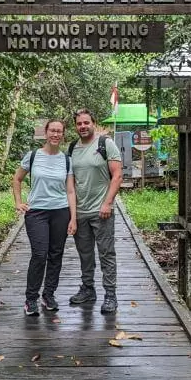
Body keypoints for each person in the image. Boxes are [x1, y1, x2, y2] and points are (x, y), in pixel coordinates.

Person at [12, 119, 77, 316]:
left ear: (63, 135)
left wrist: (73, 218)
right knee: (40, 254)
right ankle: (30, 299)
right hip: (37, 212)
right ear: (46, 133)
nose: (55, 135)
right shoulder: (32, 156)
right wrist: (18, 202)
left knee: (55, 254)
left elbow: (70, 190)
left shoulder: (67, 160)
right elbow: (17, 178)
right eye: (52, 131)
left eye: (59, 132)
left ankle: (48, 295)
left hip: (60, 211)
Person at [68, 108, 123, 314]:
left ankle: (110, 294)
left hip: (102, 211)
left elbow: (117, 176)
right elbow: (71, 182)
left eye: (86, 123)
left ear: (94, 123)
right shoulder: (72, 147)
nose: (83, 126)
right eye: (79, 124)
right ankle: (88, 289)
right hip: (80, 211)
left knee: (106, 253)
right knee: (85, 254)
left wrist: (107, 203)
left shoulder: (105, 144)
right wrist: (72, 214)